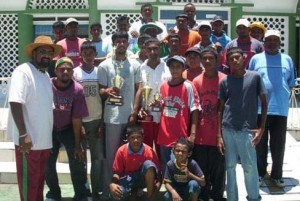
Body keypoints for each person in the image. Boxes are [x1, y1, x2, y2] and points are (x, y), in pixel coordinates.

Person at [7, 35, 62, 201]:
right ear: (33, 53)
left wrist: (48, 139)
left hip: (43, 144)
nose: (46, 55)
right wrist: (23, 134)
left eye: (49, 52)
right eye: (42, 51)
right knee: (28, 187)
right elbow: (15, 102)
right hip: (28, 144)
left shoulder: (45, 76)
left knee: (38, 186)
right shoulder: (22, 72)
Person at [249, 30, 298, 187]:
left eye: (275, 40)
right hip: (259, 109)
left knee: (278, 145)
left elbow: (291, 83)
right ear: (264, 42)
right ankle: (260, 173)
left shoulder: (287, 59)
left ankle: (277, 175)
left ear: (279, 42)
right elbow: (250, 81)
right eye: (268, 40)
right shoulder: (256, 59)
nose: (271, 43)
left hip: (280, 109)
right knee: (260, 145)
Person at [217, 47, 268, 201]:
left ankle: (253, 197)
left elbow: (264, 104)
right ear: (228, 61)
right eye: (231, 58)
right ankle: (232, 198)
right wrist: (219, 135)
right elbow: (220, 109)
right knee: (230, 167)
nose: (234, 60)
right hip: (228, 129)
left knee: (250, 167)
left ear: (243, 58)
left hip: (248, 130)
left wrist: (261, 128)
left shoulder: (255, 77)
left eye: (237, 57)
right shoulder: (225, 80)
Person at [98, 31, 143, 197]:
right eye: (119, 41)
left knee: (131, 154)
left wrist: (134, 111)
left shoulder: (135, 65)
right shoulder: (104, 65)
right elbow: (100, 90)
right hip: (112, 117)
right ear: (114, 44)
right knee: (111, 156)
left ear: (128, 44)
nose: (122, 43)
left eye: (125, 41)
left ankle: (130, 188)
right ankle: (108, 189)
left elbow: (139, 89)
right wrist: (107, 90)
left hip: (129, 116)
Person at [45, 57, 89, 201]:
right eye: (62, 69)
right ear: (56, 70)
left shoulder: (77, 89)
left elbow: (77, 119)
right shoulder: (47, 85)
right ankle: (54, 193)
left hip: (69, 128)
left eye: (69, 69)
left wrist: (77, 145)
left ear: (72, 72)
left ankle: (80, 194)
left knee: (77, 162)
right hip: (49, 128)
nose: (65, 72)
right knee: (48, 163)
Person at [192, 47, 226, 201]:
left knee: (219, 169)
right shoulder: (197, 81)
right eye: (204, 58)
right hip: (201, 133)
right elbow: (194, 108)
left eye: (210, 58)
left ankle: (217, 195)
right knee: (202, 168)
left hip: (219, 134)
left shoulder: (224, 79)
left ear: (216, 60)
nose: (207, 61)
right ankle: (204, 195)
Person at [156, 55, 200, 173]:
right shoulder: (163, 86)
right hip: (164, 135)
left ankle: (179, 191)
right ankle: (168, 191)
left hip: (181, 136)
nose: (175, 69)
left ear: (183, 68)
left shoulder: (188, 86)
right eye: (172, 67)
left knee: (180, 169)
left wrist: (193, 134)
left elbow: (195, 110)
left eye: (178, 67)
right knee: (166, 168)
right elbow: (161, 107)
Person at [73, 41, 105, 200]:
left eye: (91, 53)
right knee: (81, 161)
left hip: (97, 121)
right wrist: (79, 125)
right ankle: (83, 191)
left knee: (97, 159)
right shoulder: (74, 73)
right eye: (84, 53)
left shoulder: (100, 72)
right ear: (81, 55)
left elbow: (105, 99)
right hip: (80, 122)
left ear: (95, 54)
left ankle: (96, 190)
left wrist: (102, 123)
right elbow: (72, 100)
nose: (88, 56)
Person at [109, 125, 162, 201]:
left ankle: (149, 197)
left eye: (139, 137)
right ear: (128, 139)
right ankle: (134, 192)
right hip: (128, 180)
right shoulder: (121, 150)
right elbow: (117, 172)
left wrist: (154, 194)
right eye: (132, 138)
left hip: (143, 179)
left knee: (149, 165)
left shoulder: (149, 151)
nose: (136, 140)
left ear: (143, 138)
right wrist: (113, 184)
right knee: (115, 196)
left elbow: (159, 175)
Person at [139, 38, 171, 160]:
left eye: (155, 48)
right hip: (146, 115)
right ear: (145, 50)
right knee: (146, 151)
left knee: (162, 151)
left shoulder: (167, 67)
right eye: (150, 49)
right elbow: (138, 91)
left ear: (160, 49)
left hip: (164, 116)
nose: (153, 52)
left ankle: (162, 177)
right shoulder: (140, 68)